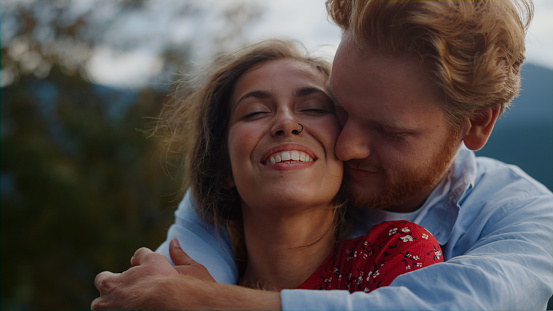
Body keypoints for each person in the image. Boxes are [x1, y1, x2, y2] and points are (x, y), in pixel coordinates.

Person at [92, 0, 553, 310]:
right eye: (338, 107)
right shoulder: (260, 184)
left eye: (386, 129)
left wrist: (210, 300)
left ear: (478, 123)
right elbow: (158, 290)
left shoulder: (526, 216)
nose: (346, 145)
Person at [92, 39, 443, 309]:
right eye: (255, 112)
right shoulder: (167, 295)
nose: (287, 123)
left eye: (313, 107)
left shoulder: (394, 253)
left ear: (345, 148)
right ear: (222, 167)